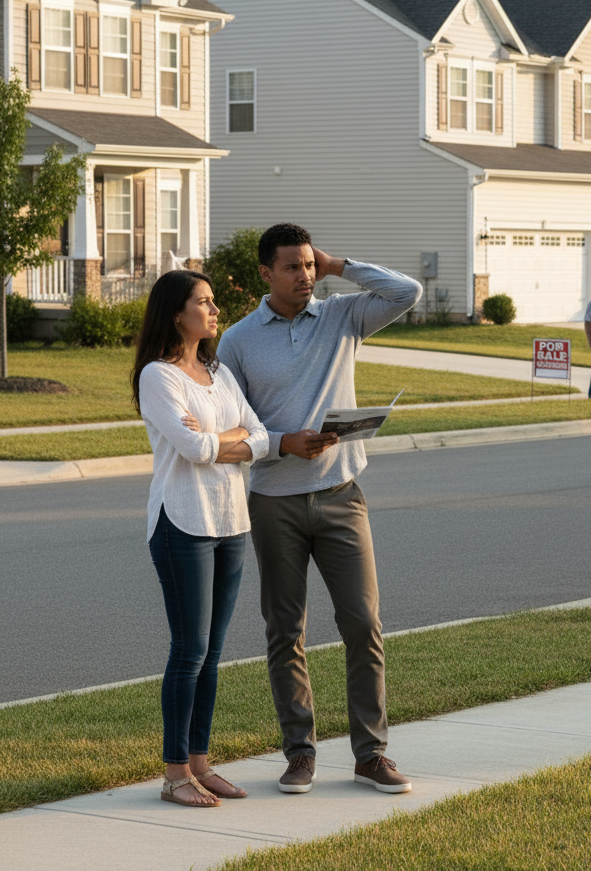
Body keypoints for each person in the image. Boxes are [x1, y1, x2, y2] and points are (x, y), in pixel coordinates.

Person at [216, 223, 422, 796]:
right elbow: (233, 424)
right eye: (293, 267)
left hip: (341, 496)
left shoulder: (342, 316)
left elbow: (407, 293)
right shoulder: (236, 341)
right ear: (265, 273)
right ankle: (300, 754)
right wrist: (284, 439)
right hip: (274, 502)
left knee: (363, 623)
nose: (304, 276)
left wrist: (339, 265)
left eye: (309, 265)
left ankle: (371, 754)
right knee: (286, 630)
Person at [131, 270, 269, 809]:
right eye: (204, 303)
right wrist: (227, 438)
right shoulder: (158, 377)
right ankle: (173, 775)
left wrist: (225, 438)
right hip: (181, 522)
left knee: (212, 654)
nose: (215, 312)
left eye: (214, 303)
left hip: (230, 520)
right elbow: (191, 448)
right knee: (189, 651)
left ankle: (201, 765)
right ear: (175, 313)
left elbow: (258, 434)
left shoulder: (218, 372)